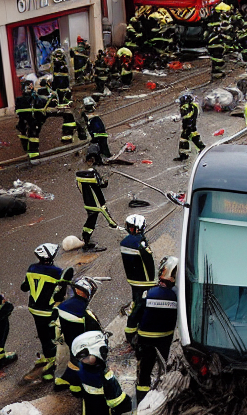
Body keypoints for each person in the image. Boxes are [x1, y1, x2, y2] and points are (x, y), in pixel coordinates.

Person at [130, 257, 179, 405]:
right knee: (164, 370)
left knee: (144, 372)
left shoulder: (149, 293)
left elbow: (134, 317)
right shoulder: (177, 296)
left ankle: (142, 402)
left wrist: (131, 336)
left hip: (145, 341)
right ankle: (161, 400)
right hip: (165, 341)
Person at [21, 243, 67, 381]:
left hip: (34, 309)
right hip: (48, 311)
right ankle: (51, 367)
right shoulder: (57, 272)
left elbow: (24, 287)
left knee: (43, 335)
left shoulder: (31, 268)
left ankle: (47, 358)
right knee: (53, 337)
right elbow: (60, 295)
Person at [53, 277, 102, 394]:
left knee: (70, 358)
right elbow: (96, 330)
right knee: (80, 361)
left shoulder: (63, 306)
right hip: (79, 343)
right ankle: (75, 386)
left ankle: (61, 380)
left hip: (64, 339)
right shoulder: (85, 312)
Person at [70, 331, 132, 415]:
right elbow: (117, 401)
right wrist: (128, 402)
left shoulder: (78, 366)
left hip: (89, 405)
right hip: (104, 408)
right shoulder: (105, 375)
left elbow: (75, 385)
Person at [121, 214, 157, 343]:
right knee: (139, 304)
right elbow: (148, 264)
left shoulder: (127, 241)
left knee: (138, 303)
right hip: (142, 282)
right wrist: (152, 282)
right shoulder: (138, 243)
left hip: (134, 280)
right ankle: (130, 334)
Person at [76, 149, 118, 252]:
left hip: (88, 203)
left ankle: (85, 238)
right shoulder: (93, 180)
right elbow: (104, 210)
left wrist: (104, 182)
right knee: (91, 223)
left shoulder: (83, 179)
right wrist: (114, 225)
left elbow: (99, 184)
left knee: (90, 222)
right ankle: (86, 242)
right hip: (95, 204)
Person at [175, 93, 205, 162]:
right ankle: (202, 149)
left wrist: (177, 118)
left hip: (188, 126)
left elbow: (185, 115)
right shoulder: (194, 106)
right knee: (193, 137)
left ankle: (184, 155)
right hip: (192, 125)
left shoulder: (186, 107)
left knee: (185, 139)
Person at [15, 79, 36, 157]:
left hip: (23, 120)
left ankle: (27, 149)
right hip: (30, 119)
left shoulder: (19, 100)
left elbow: (17, 110)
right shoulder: (33, 99)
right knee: (32, 134)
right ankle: (33, 152)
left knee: (24, 133)